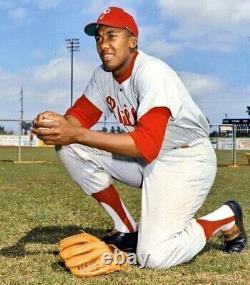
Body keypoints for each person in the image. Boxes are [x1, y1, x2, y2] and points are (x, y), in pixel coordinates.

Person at [32, 7, 247, 269]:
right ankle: (126, 228)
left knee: (153, 257)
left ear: (132, 41)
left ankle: (225, 216)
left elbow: (145, 144)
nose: (103, 45)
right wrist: (54, 125)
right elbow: (79, 117)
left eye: (112, 36)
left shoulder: (153, 73)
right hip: (147, 160)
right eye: (99, 38)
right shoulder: (103, 75)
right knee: (69, 147)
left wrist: (75, 132)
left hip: (186, 160)